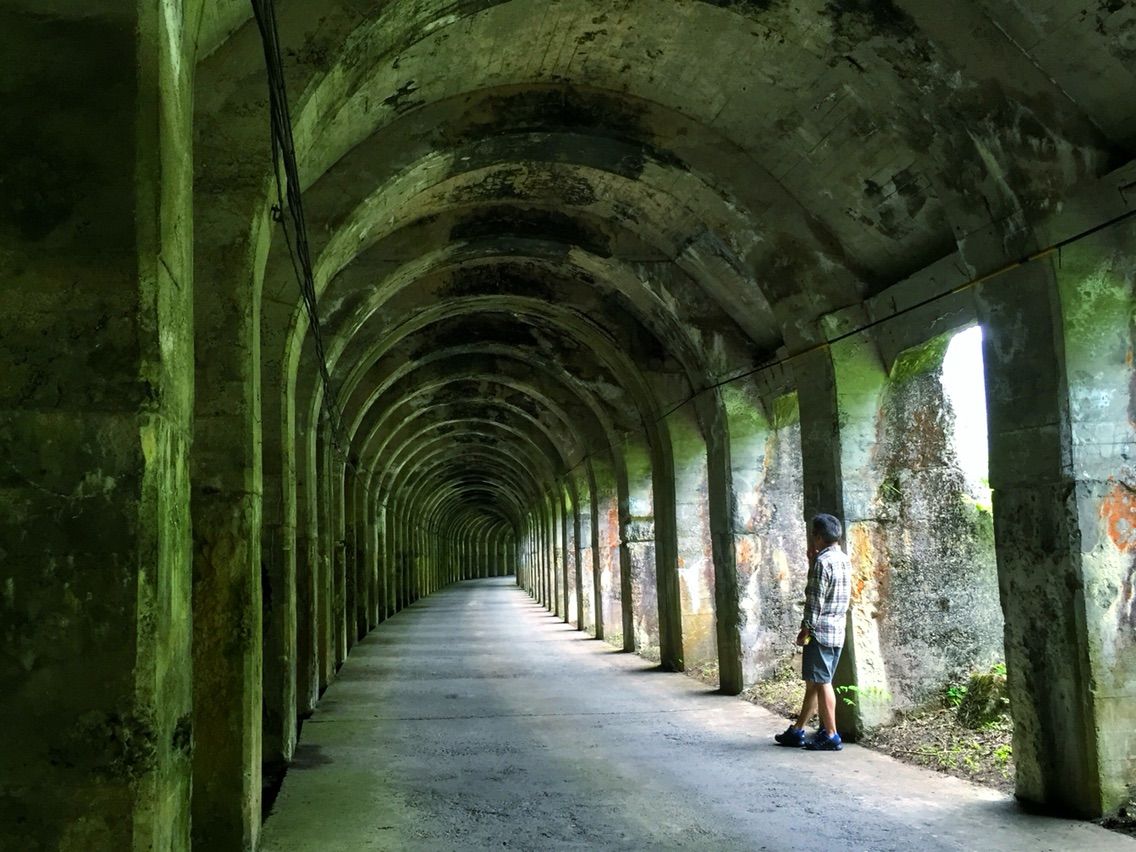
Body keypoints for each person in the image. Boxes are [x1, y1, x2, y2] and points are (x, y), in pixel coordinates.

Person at [774, 513, 852, 751]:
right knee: (814, 683)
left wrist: (805, 629)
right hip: (836, 630)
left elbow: (815, 600)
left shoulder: (822, 563)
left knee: (822, 682)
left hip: (820, 632)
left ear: (817, 537)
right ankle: (797, 731)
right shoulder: (843, 559)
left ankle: (831, 734)